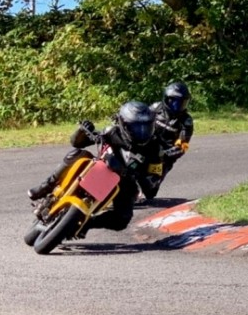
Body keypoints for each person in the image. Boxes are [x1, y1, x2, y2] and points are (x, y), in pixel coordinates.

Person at [26, 100, 155, 233]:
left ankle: (86, 224)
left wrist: (141, 176)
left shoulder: (154, 149)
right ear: (123, 123)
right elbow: (77, 143)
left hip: (124, 182)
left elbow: (152, 188)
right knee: (79, 154)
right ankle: (46, 186)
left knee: (122, 219)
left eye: (145, 127)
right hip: (97, 167)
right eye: (136, 127)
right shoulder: (112, 132)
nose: (141, 132)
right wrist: (81, 132)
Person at [133, 80, 194, 204]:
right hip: (146, 145)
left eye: (182, 103)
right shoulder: (155, 108)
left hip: (164, 157)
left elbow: (183, 146)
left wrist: (167, 153)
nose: (179, 106)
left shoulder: (186, 121)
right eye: (175, 102)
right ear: (167, 99)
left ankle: (143, 188)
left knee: (150, 191)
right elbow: (139, 120)